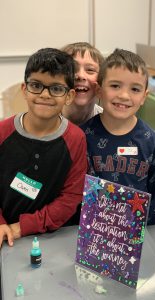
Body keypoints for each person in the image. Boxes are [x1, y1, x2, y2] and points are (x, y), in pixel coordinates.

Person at [0, 48, 87, 247]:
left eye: (56, 88)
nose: (45, 95)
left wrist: (21, 227)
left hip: (50, 237)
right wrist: (3, 225)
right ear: (24, 89)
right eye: (36, 85)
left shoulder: (76, 139)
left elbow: (71, 197)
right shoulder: (2, 132)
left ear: (69, 96)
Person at [81, 48, 155, 225]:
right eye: (115, 86)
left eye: (135, 89)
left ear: (144, 97)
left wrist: (152, 232)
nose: (124, 95)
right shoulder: (81, 137)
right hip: (91, 234)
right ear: (98, 90)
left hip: (134, 234)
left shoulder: (153, 141)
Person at [61, 42, 104, 125]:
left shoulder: (108, 124)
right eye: (72, 68)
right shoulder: (45, 120)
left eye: (90, 70)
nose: (80, 76)